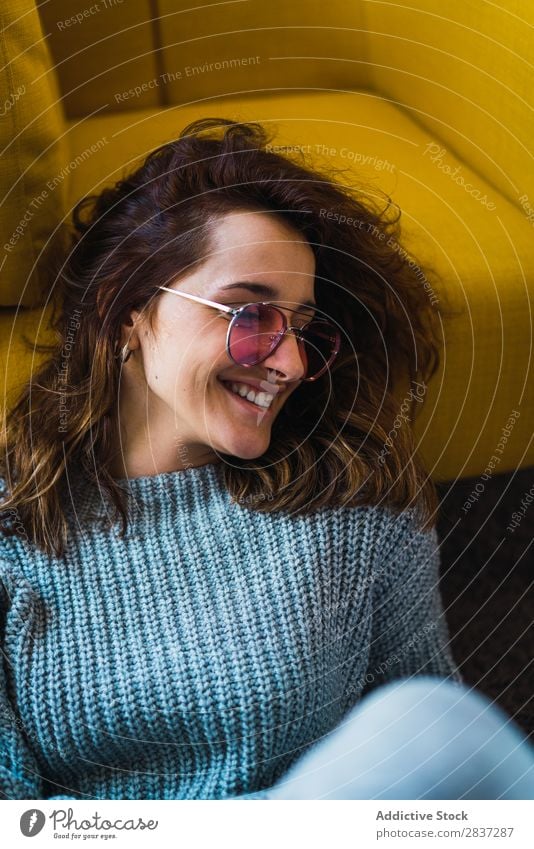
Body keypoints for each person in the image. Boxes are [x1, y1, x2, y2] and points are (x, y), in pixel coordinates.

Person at [0, 117, 528, 801]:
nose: (289, 361)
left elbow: (433, 773)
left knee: (432, 727)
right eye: (248, 314)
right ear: (124, 309)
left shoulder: (353, 499)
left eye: (303, 328)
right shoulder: (13, 532)